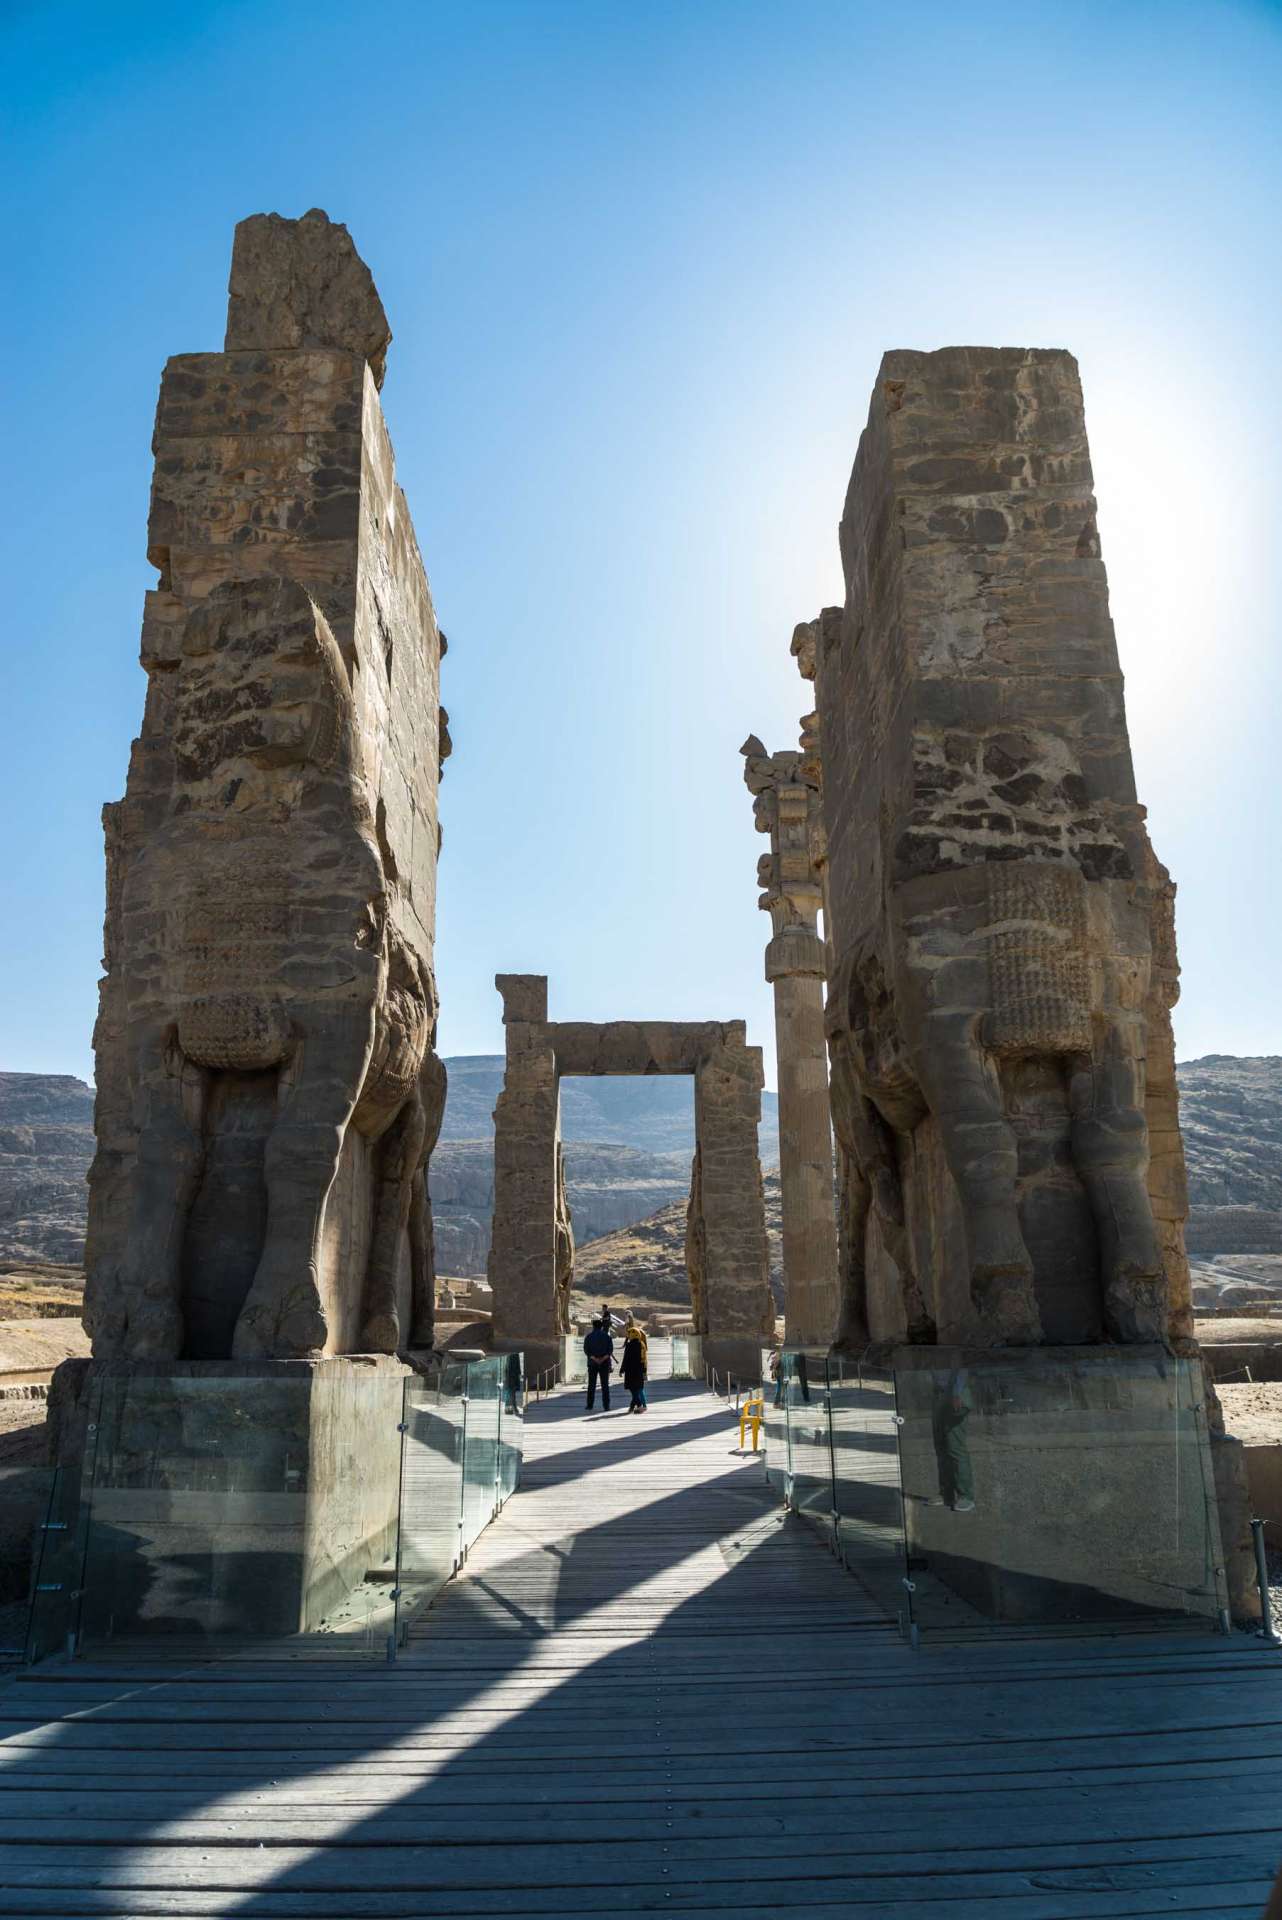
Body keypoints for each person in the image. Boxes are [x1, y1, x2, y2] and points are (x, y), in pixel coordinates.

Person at [583, 1316, 614, 1413]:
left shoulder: (588, 1337)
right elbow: (610, 1350)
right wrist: (602, 1359)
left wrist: (595, 1358)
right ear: (601, 1327)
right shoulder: (607, 1337)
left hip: (592, 1363)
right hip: (604, 1363)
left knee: (591, 1385)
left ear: (593, 1327)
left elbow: (586, 1350)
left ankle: (589, 1405)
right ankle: (606, 1406)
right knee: (605, 1385)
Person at [620, 1318, 649, 1414]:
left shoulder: (629, 1345)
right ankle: (632, 1407)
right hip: (640, 1370)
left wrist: (622, 1369)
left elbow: (626, 1359)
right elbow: (644, 1359)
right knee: (637, 1388)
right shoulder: (642, 1344)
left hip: (630, 1371)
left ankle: (640, 1406)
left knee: (633, 1389)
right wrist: (645, 1371)